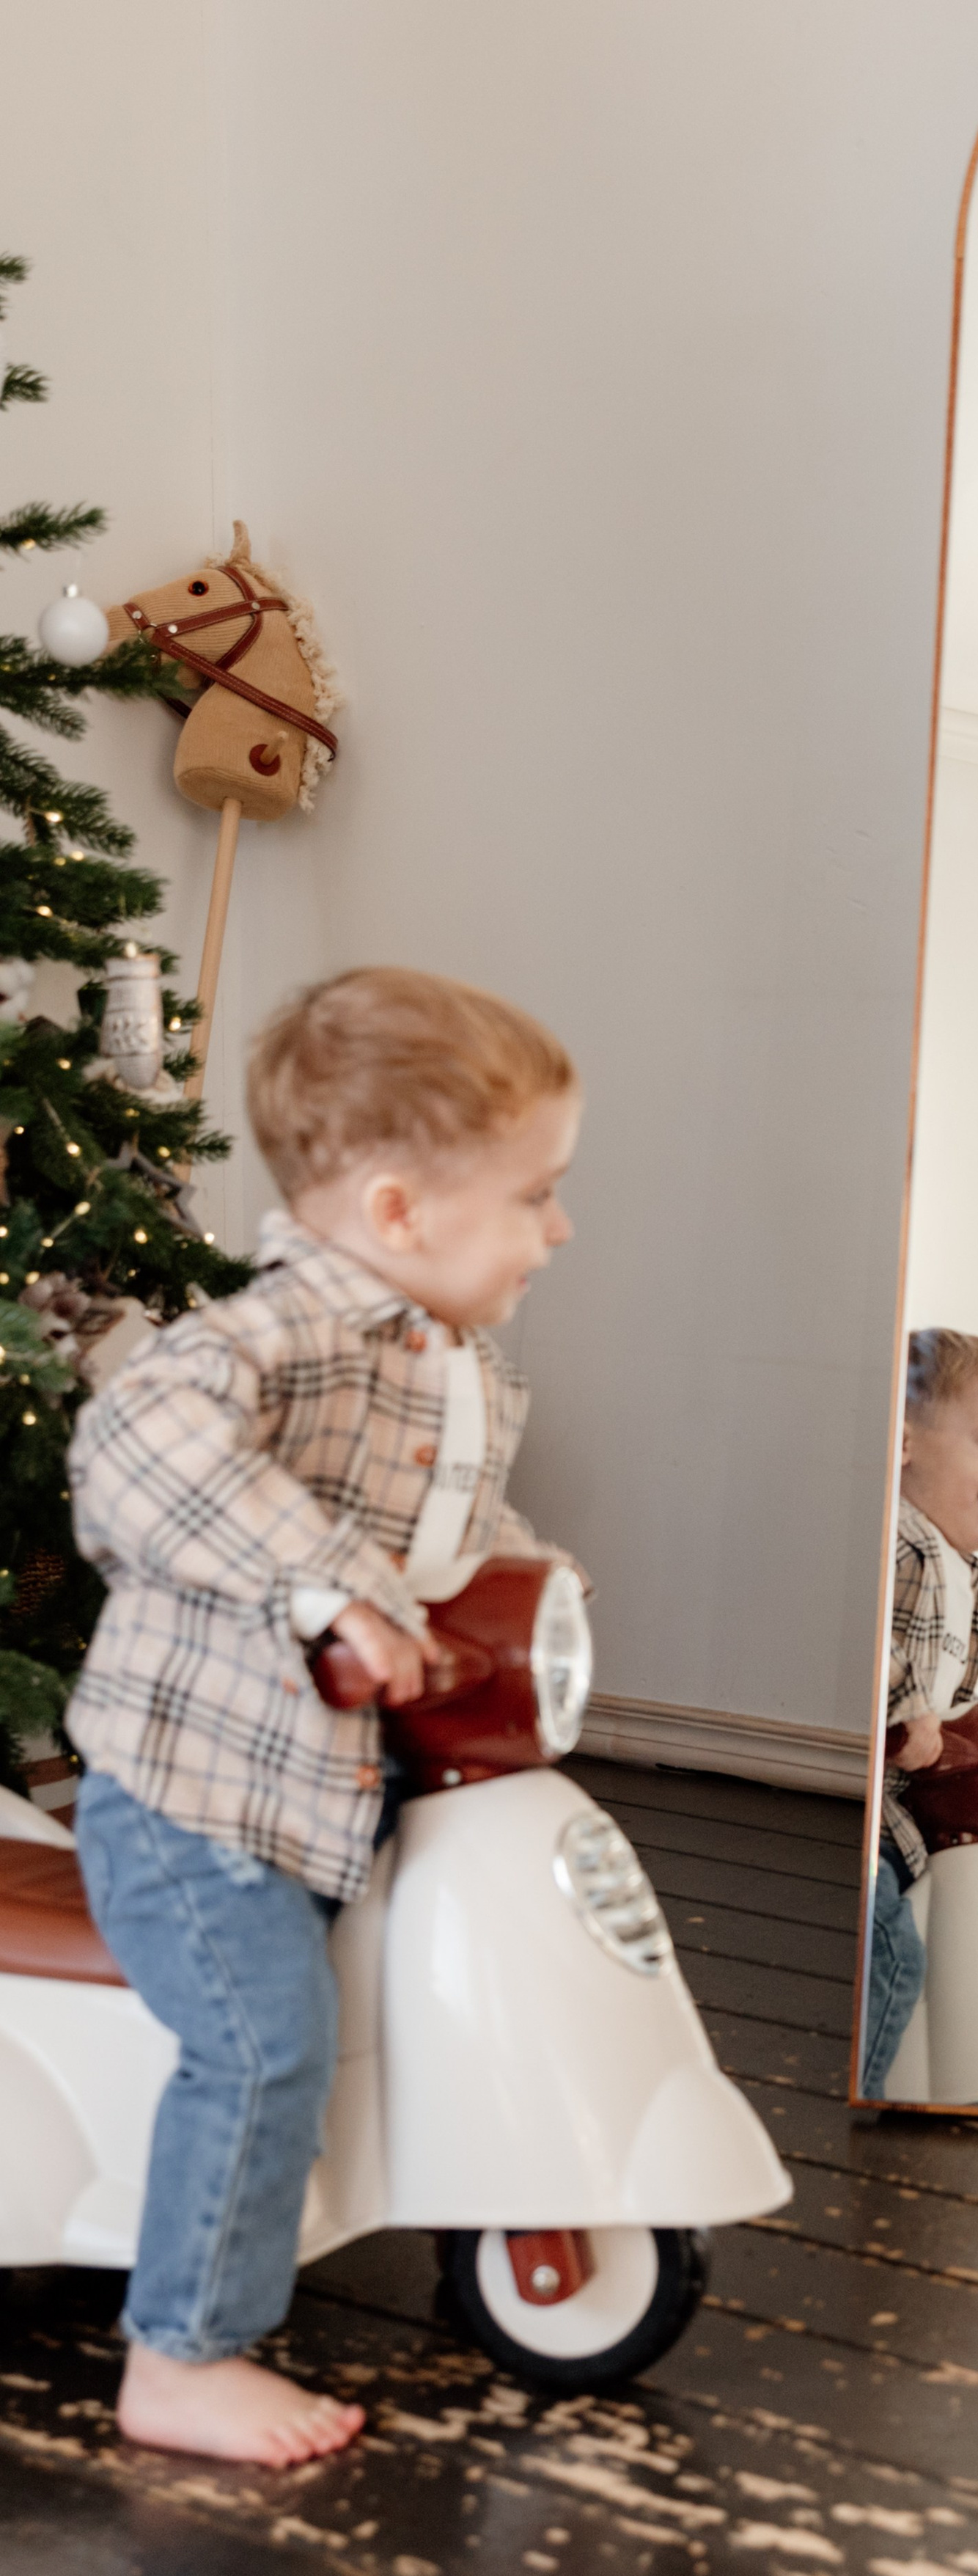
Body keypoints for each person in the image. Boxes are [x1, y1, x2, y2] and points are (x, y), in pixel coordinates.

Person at [65, 967, 581, 2467]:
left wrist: (534, 1597)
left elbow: (444, 1546)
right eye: (535, 1194)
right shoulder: (285, 1333)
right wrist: (327, 1577)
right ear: (399, 1211)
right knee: (264, 2045)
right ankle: (182, 2354)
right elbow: (134, 1440)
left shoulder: (449, 1361)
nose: (559, 1228)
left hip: (319, 1795)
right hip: (191, 1803)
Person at [861, 1330, 978, 2095]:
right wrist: (908, 1711)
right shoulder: (897, 1535)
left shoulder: (972, 1579)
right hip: (864, 1814)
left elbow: (955, 1708)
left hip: (902, 1824)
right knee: (890, 1955)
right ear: (903, 1440)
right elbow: (868, 1631)